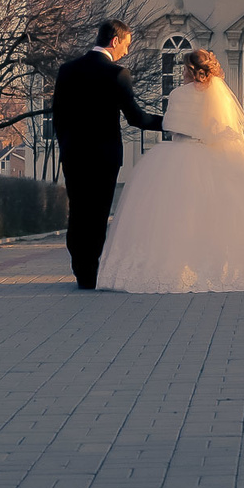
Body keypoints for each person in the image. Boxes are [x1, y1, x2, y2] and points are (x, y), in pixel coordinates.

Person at [97, 48, 244, 294]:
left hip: (180, 155)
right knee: (221, 215)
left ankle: (179, 267)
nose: (182, 72)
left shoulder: (179, 94)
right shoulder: (221, 96)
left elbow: (172, 126)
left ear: (192, 70)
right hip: (214, 153)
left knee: (176, 217)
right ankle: (220, 266)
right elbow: (224, 129)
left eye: (184, 68)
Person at [51, 20, 164, 289]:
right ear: (115, 41)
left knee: (78, 211)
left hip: (74, 155)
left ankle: (81, 270)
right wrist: (169, 121)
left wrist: (67, 145)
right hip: (104, 156)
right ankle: (90, 271)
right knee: (98, 213)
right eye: (126, 45)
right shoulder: (117, 73)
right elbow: (136, 118)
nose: (126, 51)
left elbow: (58, 116)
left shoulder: (67, 70)